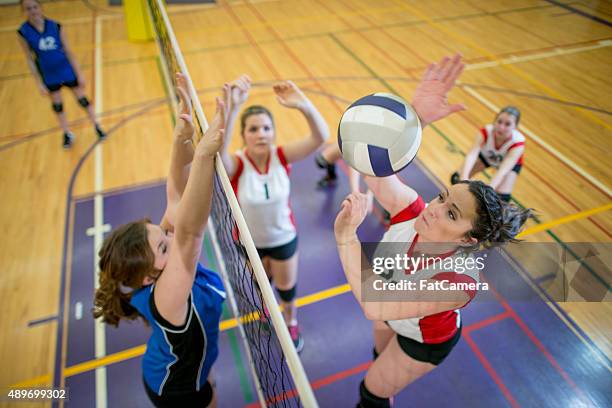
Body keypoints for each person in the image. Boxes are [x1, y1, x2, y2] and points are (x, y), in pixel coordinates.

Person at [333, 55, 531, 408]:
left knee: (372, 391)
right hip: (391, 308)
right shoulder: (413, 210)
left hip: (422, 339)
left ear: (468, 239)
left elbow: (373, 302)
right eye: (442, 196)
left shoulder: (457, 283)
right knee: (378, 358)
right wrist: (416, 119)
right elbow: (372, 167)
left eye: (451, 213)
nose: (434, 209)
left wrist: (347, 238)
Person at [93, 73, 226, 407]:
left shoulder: (158, 270)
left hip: (183, 367)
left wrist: (181, 139)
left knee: (205, 379)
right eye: (163, 245)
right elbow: (190, 232)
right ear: (148, 277)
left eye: (162, 232)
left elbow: (176, 198)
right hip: (175, 390)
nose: (169, 234)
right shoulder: (166, 296)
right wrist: (203, 157)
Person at [220, 75, 329, 352]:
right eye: (253, 129)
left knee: (286, 288)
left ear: (273, 133)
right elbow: (219, 159)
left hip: (282, 238)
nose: (261, 134)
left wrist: (302, 104)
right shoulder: (237, 164)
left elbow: (321, 137)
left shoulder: (281, 156)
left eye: (266, 128)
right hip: (249, 243)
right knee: (261, 287)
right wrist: (232, 109)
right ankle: (268, 312)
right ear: (243, 134)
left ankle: (291, 321)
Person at [17, 0, 106, 148]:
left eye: (35, 7)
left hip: (66, 70)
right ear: (23, 11)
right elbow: (30, 59)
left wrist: (79, 73)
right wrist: (39, 83)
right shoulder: (23, 32)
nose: (32, 11)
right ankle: (66, 133)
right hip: (49, 74)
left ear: (40, 7)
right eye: (28, 9)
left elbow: (69, 51)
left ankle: (97, 125)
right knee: (57, 105)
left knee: (82, 100)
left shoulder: (55, 26)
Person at [450, 106, 525, 202]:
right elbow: (472, 154)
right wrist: (464, 178)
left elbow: (502, 171)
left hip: (507, 165)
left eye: (507, 124)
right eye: (499, 122)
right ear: (495, 121)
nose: (501, 127)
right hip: (487, 156)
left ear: (515, 127)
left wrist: (489, 191)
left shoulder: (517, 143)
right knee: (456, 178)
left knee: (501, 199)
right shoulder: (486, 132)